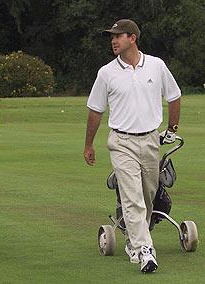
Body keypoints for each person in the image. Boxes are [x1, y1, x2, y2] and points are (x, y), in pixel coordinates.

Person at [83, 19, 181, 273]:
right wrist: (89, 144)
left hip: (150, 140)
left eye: (118, 36)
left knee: (148, 196)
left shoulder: (156, 66)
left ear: (133, 38)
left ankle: (133, 239)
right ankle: (146, 250)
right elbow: (95, 110)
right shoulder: (106, 72)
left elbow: (174, 96)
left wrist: (172, 129)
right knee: (132, 197)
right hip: (121, 141)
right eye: (112, 37)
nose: (113, 41)